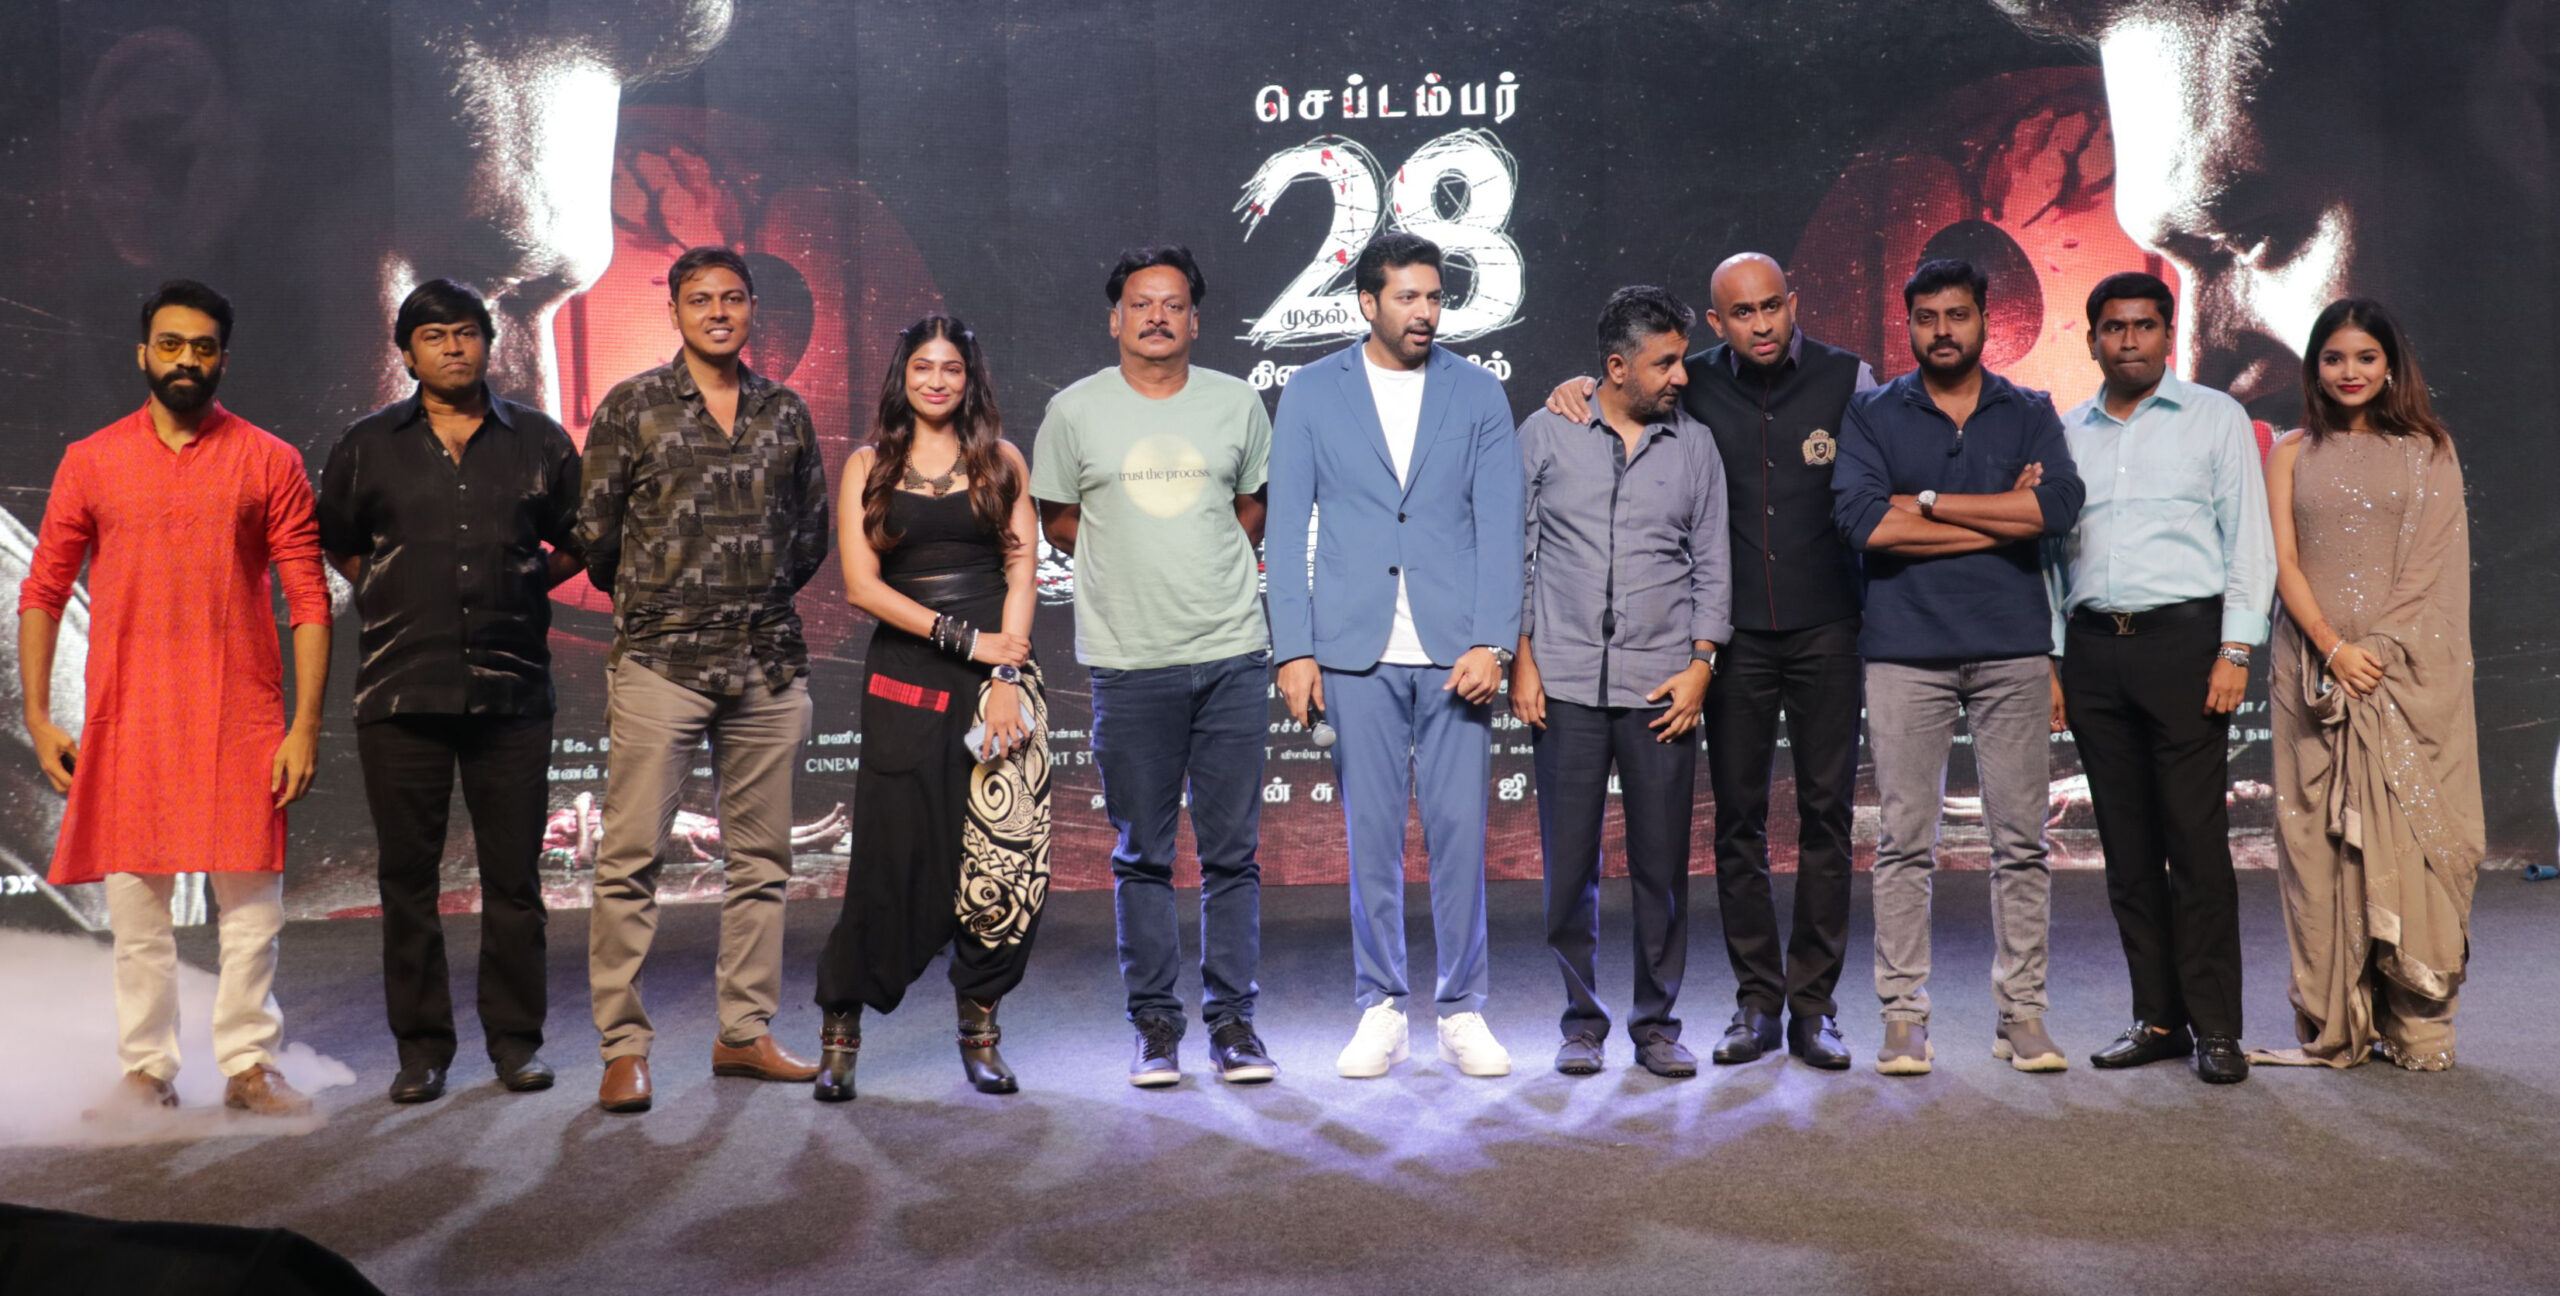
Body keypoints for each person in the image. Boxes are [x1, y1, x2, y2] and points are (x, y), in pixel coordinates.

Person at [1545, 252, 1874, 1071]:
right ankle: (1756, 1003)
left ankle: (1815, 1008)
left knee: (1828, 820)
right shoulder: (1686, 382)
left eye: (1773, 307)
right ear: (1718, 322)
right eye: (1743, 313)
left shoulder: (1849, 379)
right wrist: (1572, 388)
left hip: (1827, 627)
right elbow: (1620, 387)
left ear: (1793, 302)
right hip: (1737, 641)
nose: (1762, 325)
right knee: (1738, 823)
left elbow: (1892, 460)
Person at [20, 280, 333, 1116]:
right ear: (143, 354)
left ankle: (249, 1065)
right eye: (170, 344)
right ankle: (147, 1069)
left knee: (251, 909)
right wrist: (38, 717)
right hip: (129, 717)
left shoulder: (269, 459)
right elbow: (43, 591)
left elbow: (308, 598)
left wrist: (304, 726)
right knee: (137, 913)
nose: (186, 359)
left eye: (202, 347)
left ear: (223, 359)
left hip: (242, 715)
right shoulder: (92, 459)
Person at [317, 279, 585, 1104]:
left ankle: (516, 1045)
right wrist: (395, 592)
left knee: (514, 882)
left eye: (466, 332)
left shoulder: (538, 440)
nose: (453, 347)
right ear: (407, 354)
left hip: (513, 692)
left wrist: (524, 582)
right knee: (408, 881)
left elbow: (580, 539)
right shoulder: (367, 445)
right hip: (403, 691)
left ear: (488, 344)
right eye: (433, 336)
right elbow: (340, 542)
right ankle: (422, 1051)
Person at [577, 246, 831, 1114]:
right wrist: (665, 604)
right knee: (630, 860)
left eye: (732, 298)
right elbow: (596, 537)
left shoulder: (785, 413)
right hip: (663, 664)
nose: (718, 312)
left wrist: (745, 599)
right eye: (699, 299)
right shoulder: (633, 407)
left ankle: (744, 1032)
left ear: (753, 308)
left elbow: (809, 538)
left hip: (766, 665)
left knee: (761, 861)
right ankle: (624, 1047)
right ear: (675, 311)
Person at [1268, 232, 1524, 1080]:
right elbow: (1284, 528)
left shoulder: (1477, 392)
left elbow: (1503, 529)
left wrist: (1493, 642)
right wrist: (1293, 649)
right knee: (1370, 840)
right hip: (1353, 650)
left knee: (1460, 840)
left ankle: (1462, 1010)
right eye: (1408, 297)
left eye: (1435, 298)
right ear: (1367, 303)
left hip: (1456, 653)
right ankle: (1380, 1006)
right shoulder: (1312, 391)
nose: (1425, 313)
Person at [1831, 258, 2084, 1077]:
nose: (1943, 331)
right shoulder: (1873, 412)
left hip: (2012, 648)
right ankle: (1904, 1018)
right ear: (1908, 324)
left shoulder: (2029, 409)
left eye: (1958, 315)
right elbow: (1865, 525)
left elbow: (2058, 507)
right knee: (1905, 842)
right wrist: (2003, 518)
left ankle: (2023, 1016)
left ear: (1985, 320)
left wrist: (1931, 504)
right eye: (1927, 317)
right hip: (1906, 652)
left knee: (2022, 843)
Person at [1031, 248, 1277, 1088]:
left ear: (1196, 320)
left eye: (1174, 304)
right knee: (1142, 855)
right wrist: (1133, 558)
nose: (1158, 317)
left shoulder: (1237, 402)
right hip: (1130, 665)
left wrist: (1194, 558)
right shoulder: (1073, 411)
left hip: (1231, 656)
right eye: (1142, 304)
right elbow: (1060, 520)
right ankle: (1155, 1027)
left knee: (1232, 855)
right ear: (1116, 319)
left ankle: (1234, 1024)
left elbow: (1250, 507)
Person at [809, 314, 1047, 1102]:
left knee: (999, 865)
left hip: (999, 683)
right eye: (923, 367)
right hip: (908, 677)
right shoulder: (868, 465)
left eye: (951, 368)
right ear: (902, 376)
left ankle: (980, 1034)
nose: (937, 380)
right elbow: (861, 587)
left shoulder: (1003, 460)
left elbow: (1021, 574)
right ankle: (840, 1033)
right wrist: (963, 640)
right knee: (891, 860)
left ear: (969, 379)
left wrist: (1004, 672)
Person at [2044, 272, 2273, 1085]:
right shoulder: (2067, 432)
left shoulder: (2215, 417)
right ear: (2092, 339)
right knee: (2127, 850)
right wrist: (2053, 658)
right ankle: (2159, 1018)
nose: (2129, 339)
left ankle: (2217, 1028)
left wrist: (2236, 650)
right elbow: (2050, 557)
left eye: (2144, 326)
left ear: (2167, 335)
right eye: (2114, 327)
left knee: (2195, 845)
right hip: (2093, 651)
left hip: (2186, 646)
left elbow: (2249, 541)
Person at [1514, 286, 1729, 1078]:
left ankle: (1657, 1025)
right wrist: (1522, 658)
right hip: (1564, 685)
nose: (1681, 375)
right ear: (1616, 367)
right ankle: (1580, 1023)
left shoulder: (1695, 446)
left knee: (1661, 869)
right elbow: (1516, 551)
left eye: (1681, 360)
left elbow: (1713, 565)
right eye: (1664, 363)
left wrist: (1702, 667)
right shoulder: (1546, 431)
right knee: (1569, 869)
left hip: (1661, 691)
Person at [2260, 299, 2480, 1071]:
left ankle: (2414, 1021)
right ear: (2314, 367)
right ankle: (2338, 1018)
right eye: (2334, 358)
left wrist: (2374, 653)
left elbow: (2431, 570)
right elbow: (2283, 562)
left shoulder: (2429, 451)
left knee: (2415, 837)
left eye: (2365, 357)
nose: (2349, 372)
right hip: (2313, 675)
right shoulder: (2290, 452)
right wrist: (2333, 650)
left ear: (2390, 367)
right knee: (2317, 845)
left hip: (2405, 676)